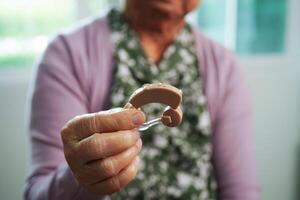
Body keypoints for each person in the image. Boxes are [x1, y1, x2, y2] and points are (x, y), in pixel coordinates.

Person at [24, 0, 260, 199]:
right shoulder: (66, 54)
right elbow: (38, 193)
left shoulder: (224, 66)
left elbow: (241, 191)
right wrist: (80, 177)